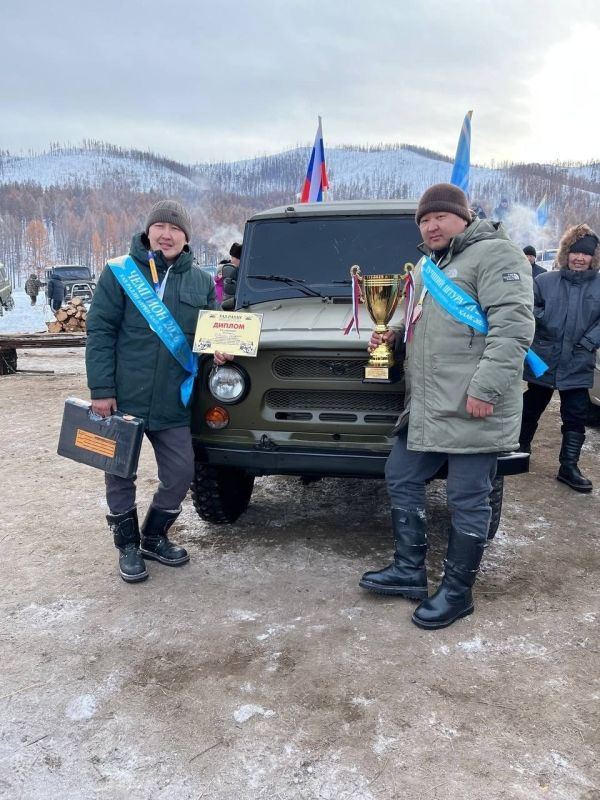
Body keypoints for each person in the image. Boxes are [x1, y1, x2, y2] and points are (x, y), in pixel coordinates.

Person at [359, 183, 534, 630]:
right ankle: (409, 571)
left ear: (464, 216)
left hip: (473, 403)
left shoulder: (497, 255)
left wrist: (486, 390)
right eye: (423, 219)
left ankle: (458, 594)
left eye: (439, 217)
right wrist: (392, 337)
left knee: (467, 497)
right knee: (401, 473)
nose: (431, 225)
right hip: (428, 403)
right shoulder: (427, 265)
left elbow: (513, 330)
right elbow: (425, 325)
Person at [86, 199, 233, 583]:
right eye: (160, 227)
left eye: (175, 229)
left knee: (182, 473)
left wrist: (216, 353)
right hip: (124, 397)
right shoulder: (119, 273)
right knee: (119, 474)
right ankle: (128, 546)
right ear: (148, 231)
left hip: (173, 399)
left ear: (186, 238)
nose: (166, 235)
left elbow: (207, 336)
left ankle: (153, 536)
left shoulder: (201, 282)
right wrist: (101, 390)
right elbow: (99, 333)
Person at [519, 224, 600, 493]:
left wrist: (589, 342)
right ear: (566, 253)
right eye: (574, 252)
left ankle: (568, 466)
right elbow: (528, 307)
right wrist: (545, 321)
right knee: (531, 404)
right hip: (545, 357)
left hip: (578, 358)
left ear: (593, 258)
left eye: (585, 254)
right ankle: (519, 450)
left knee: (575, 414)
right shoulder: (545, 281)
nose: (579, 258)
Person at [221, 242, 242, 309]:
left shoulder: (236, 272)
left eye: (233, 257)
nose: (231, 260)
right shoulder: (238, 271)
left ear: (239, 258)